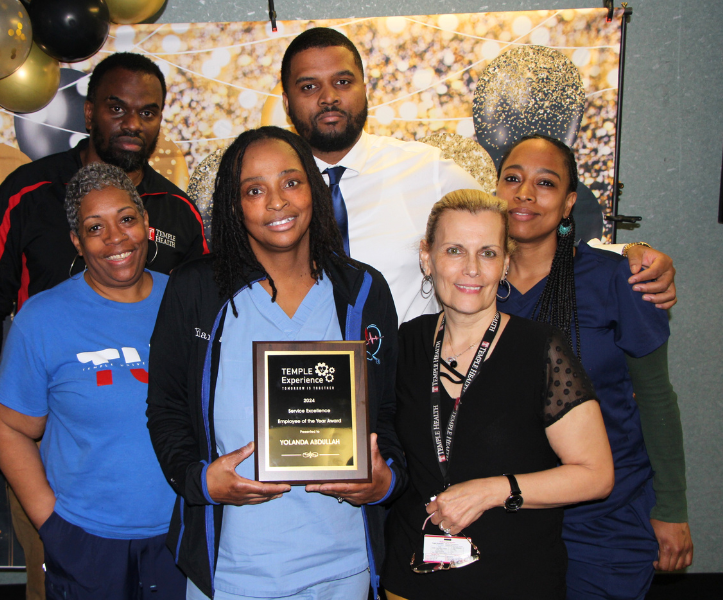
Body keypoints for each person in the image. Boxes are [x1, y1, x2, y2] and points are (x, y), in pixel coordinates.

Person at [0, 52, 206, 599]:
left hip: (162, 488)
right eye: (118, 108)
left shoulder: (178, 209)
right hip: (52, 447)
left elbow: (213, 322)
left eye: (148, 112)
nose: (132, 123)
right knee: (61, 574)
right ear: (90, 111)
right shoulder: (30, 192)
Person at [146, 126, 407, 600]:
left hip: (343, 570)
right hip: (233, 574)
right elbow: (166, 407)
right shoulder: (196, 289)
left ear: (314, 189)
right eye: (254, 190)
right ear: (233, 205)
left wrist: (385, 480)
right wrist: (199, 481)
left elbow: (387, 412)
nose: (277, 202)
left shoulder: (363, 291)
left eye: (291, 182)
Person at [279, 27, 678, 323]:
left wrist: (630, 252)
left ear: (365, 88)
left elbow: (521, 220)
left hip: (404, 390)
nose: (328, 97)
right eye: (309, 86)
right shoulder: (270, 194)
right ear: (286, 101)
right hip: (301, 389)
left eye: (343, 82)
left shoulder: (427, 169)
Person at [381, 189, 615, 599]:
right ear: (426, 257)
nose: (471, 268)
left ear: (505, 263)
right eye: (454, 250)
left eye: (487, 253)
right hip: (409, 581)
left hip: (515, 582)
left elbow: (595, 475)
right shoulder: (406, 343)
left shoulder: (540, 349)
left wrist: (492, 491)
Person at [495, 135, 692, 598]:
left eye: (546, 183)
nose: (525, 193)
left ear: (569, 203)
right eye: (512, 178)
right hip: (509, 518)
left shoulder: (618, 279)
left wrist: (671, 508)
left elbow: (657, 399)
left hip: (604, 521)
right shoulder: (475, 286)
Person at [0, 163, 186, 600]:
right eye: (95, 227)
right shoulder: (42, 319)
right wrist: (53, 524)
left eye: (126, 219)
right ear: (77, 242)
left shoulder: (189, 301)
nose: (116, 238)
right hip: (87, 541)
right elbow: (9, 427)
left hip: (182, 534)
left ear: (146, 224)